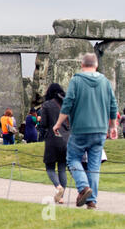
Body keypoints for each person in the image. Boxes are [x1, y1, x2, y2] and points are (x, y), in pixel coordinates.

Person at [53, 53, 118, 210]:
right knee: (94, 165)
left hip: (81, 129)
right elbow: (113, 105)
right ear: (96, 65)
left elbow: (67, 104)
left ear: (82, 65)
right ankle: (91, 201)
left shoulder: (76, 80)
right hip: (100, 130)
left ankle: (83, 188)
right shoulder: (105, 82)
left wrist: (58, 123)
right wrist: (113, 126)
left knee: (72, 158)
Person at [40, 84, 69, 204]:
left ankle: (58, 187)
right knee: (62, 168)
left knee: (50, 167)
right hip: (66, 139)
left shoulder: (47, 105)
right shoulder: (67, 104)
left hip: (53, 138)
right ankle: (61, 197)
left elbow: (44, 124)